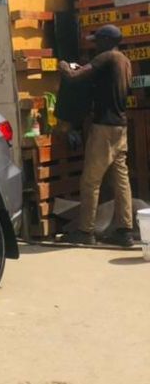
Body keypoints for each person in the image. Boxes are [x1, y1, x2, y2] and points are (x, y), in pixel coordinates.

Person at [59, 24, 134, 248]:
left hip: (103, 128)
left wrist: (64, 65)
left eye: (97, 41)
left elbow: (74, 77)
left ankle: (86, 230)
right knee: (121, 180)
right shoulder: (125, 61)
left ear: (105, 41)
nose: (95, 45)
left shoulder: (106, 58)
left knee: (91, 181)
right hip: (121, 127)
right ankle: (125, 231)